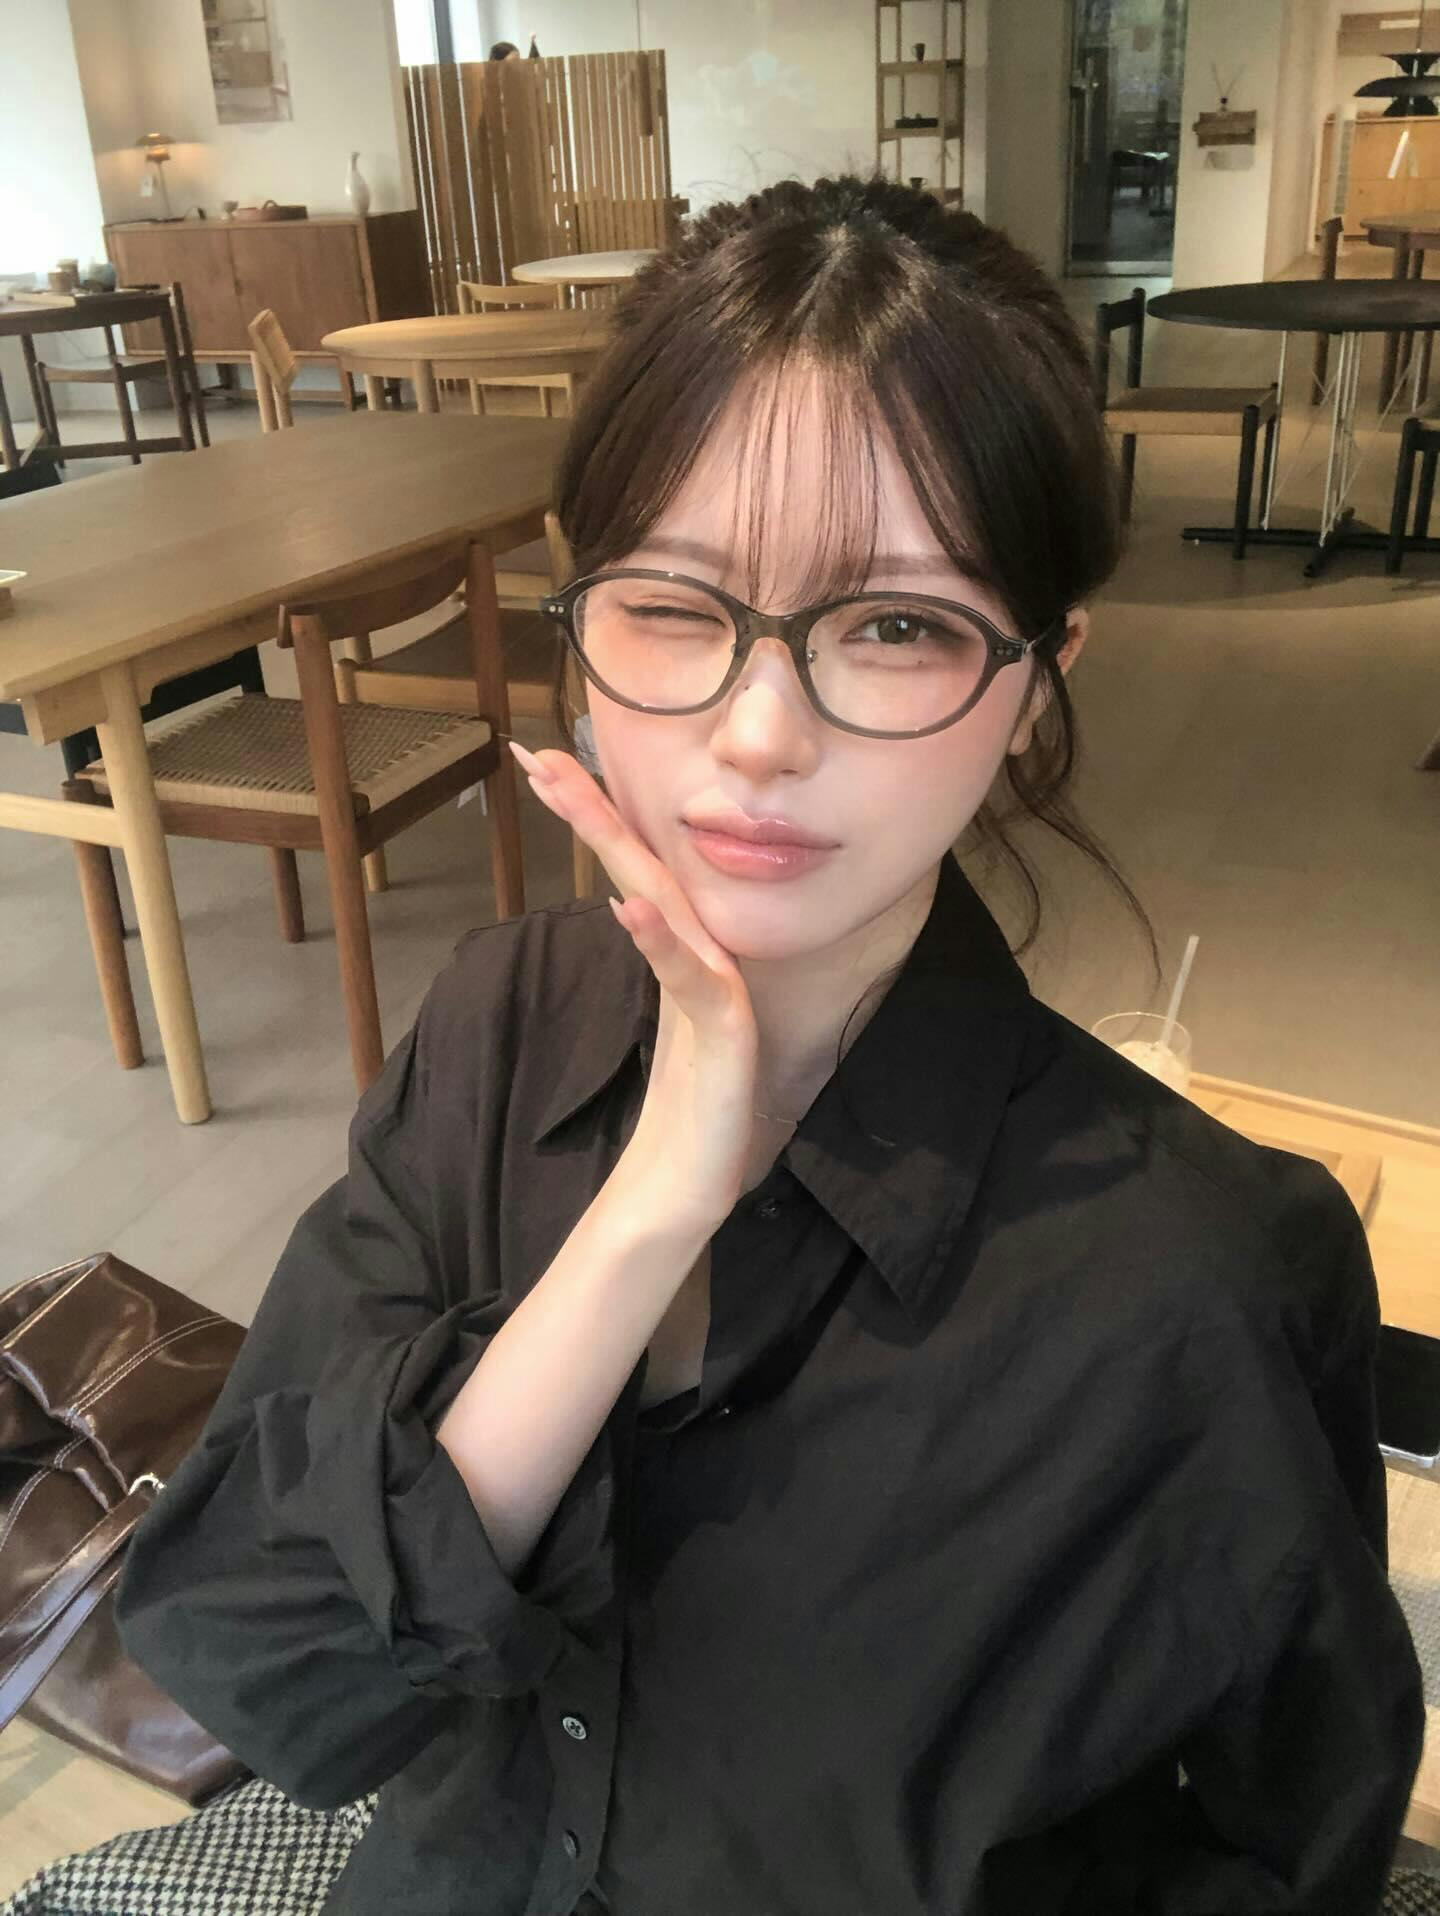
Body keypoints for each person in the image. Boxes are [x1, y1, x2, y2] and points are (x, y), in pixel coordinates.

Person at [107, 177, 1421, 1915]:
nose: (757, 733)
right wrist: (649, 1213)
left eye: (899, 627)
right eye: (672, 603)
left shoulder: (1197, 1277)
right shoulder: (500, 1024)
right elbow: (262, 1660)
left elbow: (1293, 1852)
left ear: (1040, 677)